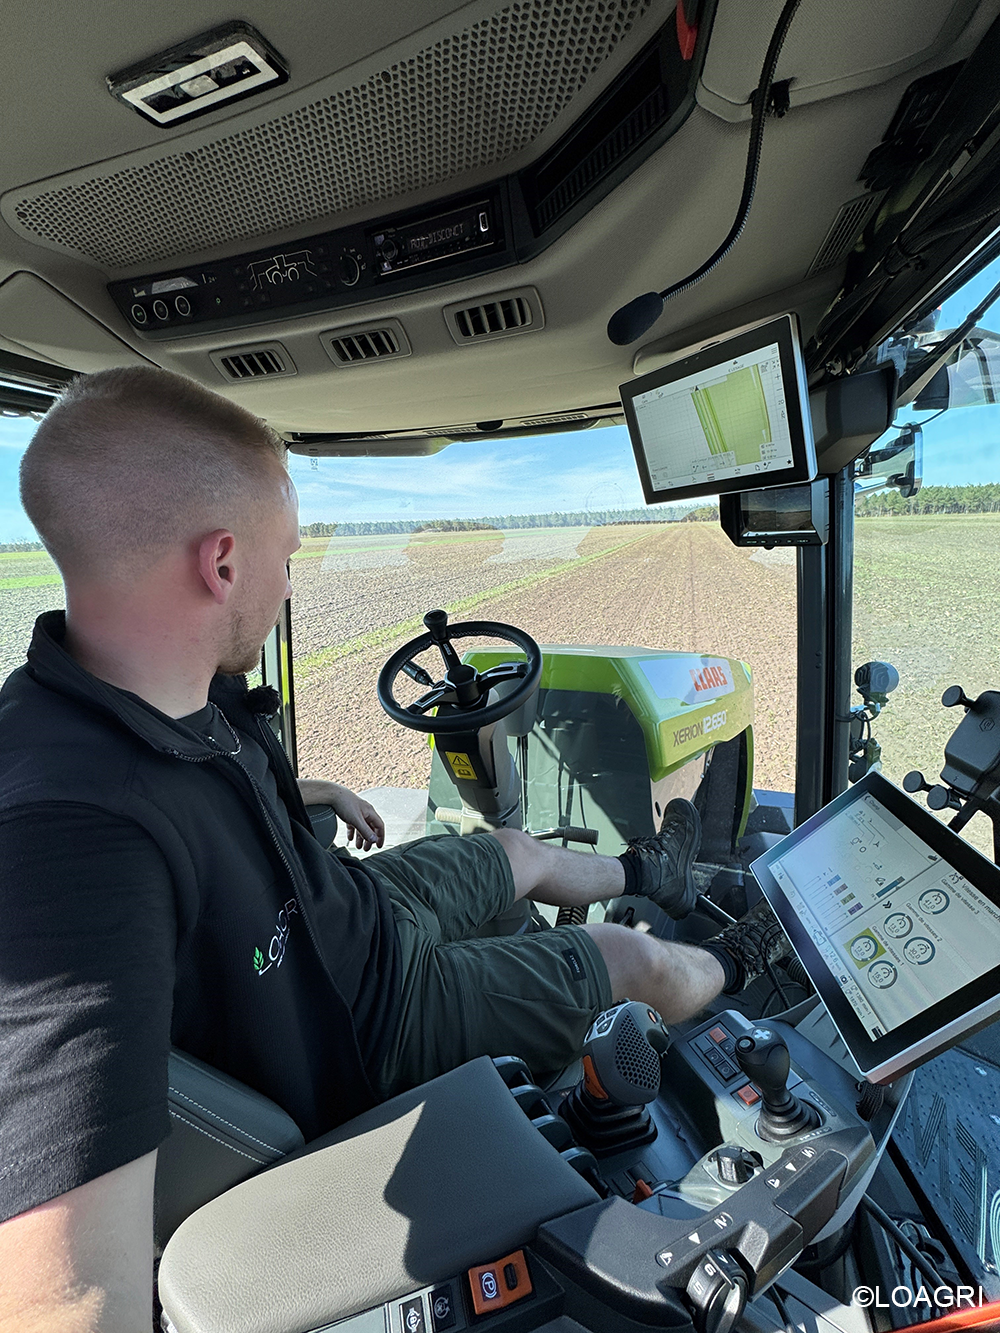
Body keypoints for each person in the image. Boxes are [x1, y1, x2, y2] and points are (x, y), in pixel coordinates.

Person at [0, 367, 789, 1331]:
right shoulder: (69, 844)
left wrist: (302, 791)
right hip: (374, 1022)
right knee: (632, 959)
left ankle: (648, 872)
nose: (291, 578)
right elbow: (65, 1293)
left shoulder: (143, 674)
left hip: (350, 909)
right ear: (223, 565)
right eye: (286, 557)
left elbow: (193, 790)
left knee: (513, 848)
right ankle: (751, 963)